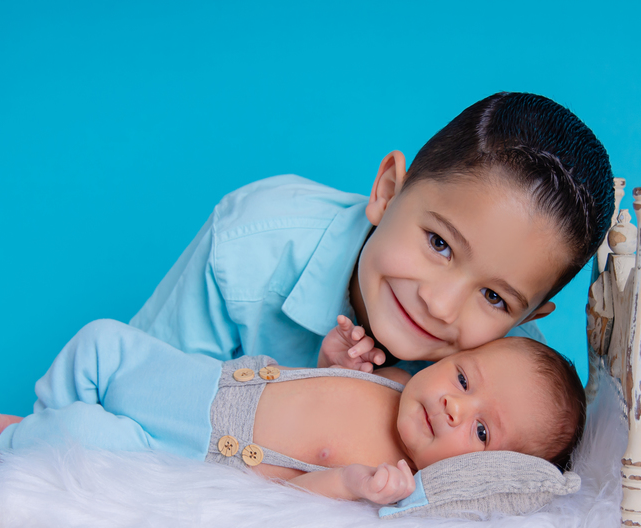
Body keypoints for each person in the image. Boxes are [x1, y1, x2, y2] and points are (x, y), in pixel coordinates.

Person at [127, 92, 614, 376]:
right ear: (387, 190)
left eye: (494, 298)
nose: (440, 306)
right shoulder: (251, 245)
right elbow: (135, 388)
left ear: (527, 317)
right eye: (439, 244)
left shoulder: (516, 379)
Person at [0, 318, 586, 506]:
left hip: (195, 454)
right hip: (203, 384)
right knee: (102, 341)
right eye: (464, 377)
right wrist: (334, 355)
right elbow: (316, 383)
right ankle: (31, 422)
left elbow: (302, 500)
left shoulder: (393, 477)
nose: (452, 404)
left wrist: (355, 484)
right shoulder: (398, 379)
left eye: (481, 429)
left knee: (87, 436)